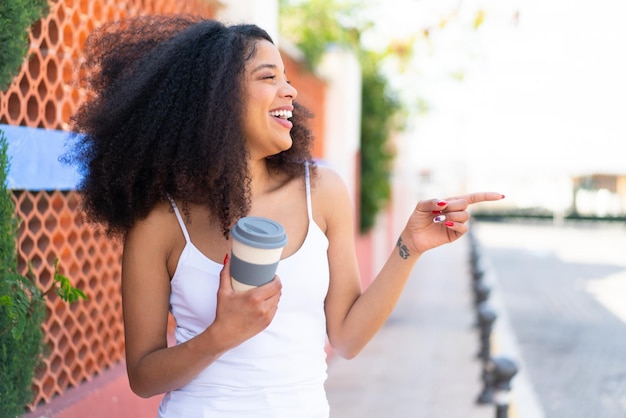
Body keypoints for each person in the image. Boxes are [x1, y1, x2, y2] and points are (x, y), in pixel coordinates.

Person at [64, 14, 504, 418]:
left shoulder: (323, 192)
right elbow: (143, 376)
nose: (290, 90)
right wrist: (222, 333)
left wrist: (410, 246)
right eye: (268, 77)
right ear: (217, 99)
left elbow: (347, 338)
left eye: (288, 78)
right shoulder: (160, 218)